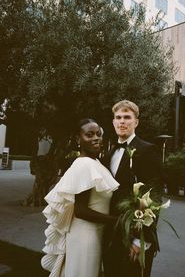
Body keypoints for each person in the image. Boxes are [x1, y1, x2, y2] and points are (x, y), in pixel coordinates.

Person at [41, 118, 119, 277]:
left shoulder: (94, 162)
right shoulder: (84, 165)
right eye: (89, 135)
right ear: (78, 139)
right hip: (85, 237)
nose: (96, 138)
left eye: (98, 134)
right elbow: (81, 211)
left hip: (94, 234)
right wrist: (116, 220)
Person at [102, 100, 163, 277]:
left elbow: (154, 197)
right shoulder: (110, 152)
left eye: (127, 117)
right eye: (118, 117)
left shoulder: (148, 150)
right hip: (112, 234)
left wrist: (140, 240)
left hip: (135, 237)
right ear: (113, 122)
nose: (122, 121)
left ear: (136, 122)